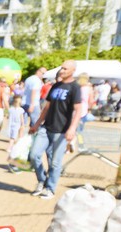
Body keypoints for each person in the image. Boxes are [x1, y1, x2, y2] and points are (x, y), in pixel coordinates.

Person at [28, 60, 82, 200]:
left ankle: (50, 188)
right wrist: (37, 124)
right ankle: (42, 180)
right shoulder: (56, 86)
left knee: (55, 162)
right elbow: (47, 107)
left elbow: (78, 110)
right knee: (34, 155)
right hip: (46, 127)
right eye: (61, 68)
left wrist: (72, 129)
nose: (62, 70)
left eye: (65, 68)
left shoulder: (75, 88)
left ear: (72, 70)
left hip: (62, 131)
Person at [7, 95, 25, 173]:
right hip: (17, 124)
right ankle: (13, 147)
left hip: (12, 124)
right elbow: (22, 118)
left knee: (12, 137)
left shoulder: (11, 109)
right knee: (18, 137)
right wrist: (23, 124)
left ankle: (10, 147)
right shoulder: (21, 110)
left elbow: (8, 117)